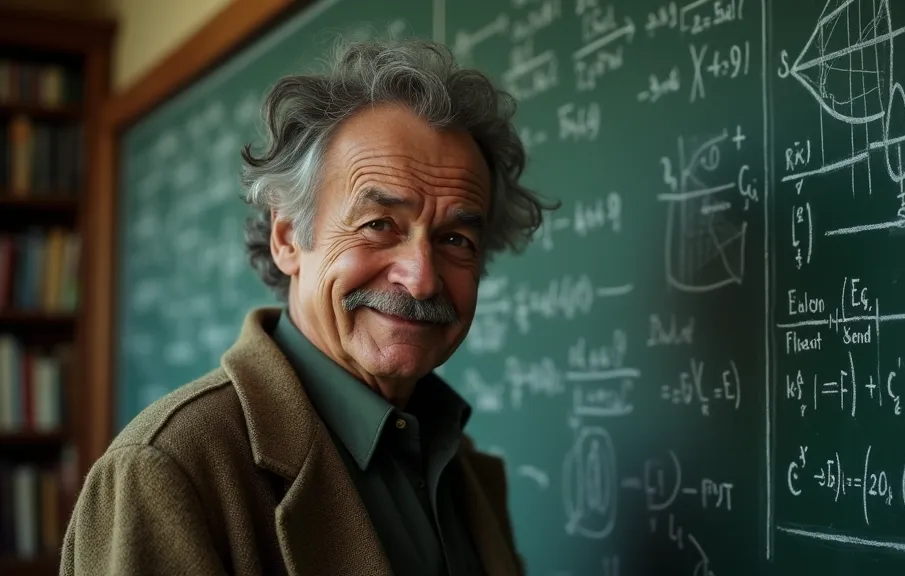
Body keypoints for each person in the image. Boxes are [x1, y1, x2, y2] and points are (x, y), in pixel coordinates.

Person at [60, 37, 555, 576]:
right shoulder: (167, 470)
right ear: (288, 238)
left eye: (456, 239)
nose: (421, 278)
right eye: (378, 224)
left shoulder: (465, 471)